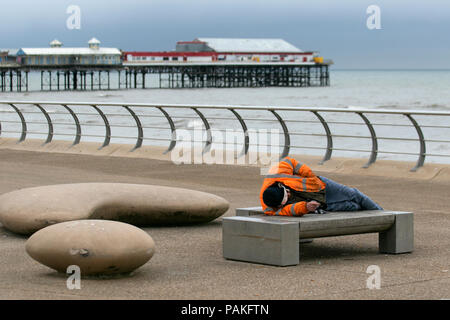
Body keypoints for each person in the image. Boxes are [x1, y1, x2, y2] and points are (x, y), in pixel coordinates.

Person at [260, 156, 383, 216]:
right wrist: (306, 207)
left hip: (320, 184)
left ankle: (382, 214)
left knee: (354, 194)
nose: (289, 194)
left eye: (287, 193)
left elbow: (289, 161)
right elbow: (289, 210)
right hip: (314, 202)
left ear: (280, 186)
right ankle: (365, 210)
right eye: (285, 200)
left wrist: (309, 175)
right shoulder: (270, 208)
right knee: (352, 207)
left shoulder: (276, 174)